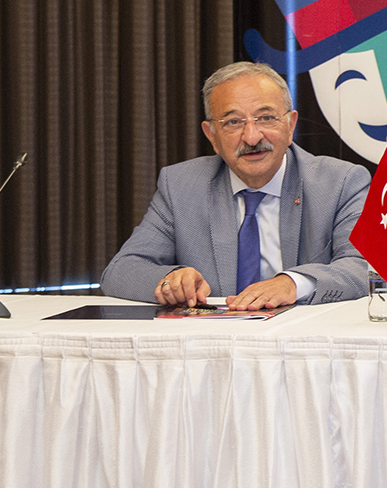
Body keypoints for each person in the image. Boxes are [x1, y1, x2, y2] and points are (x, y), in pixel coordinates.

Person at [101, 62, 370, 309]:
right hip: (211, 339)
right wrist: (171, 280)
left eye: (266, 118)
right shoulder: (181, 186)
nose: (252, 137)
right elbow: (121, 270)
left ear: (290, 126)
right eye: (233, 122)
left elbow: (365, 266)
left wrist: (294, 283)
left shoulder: (340, 183)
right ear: (212, 136)